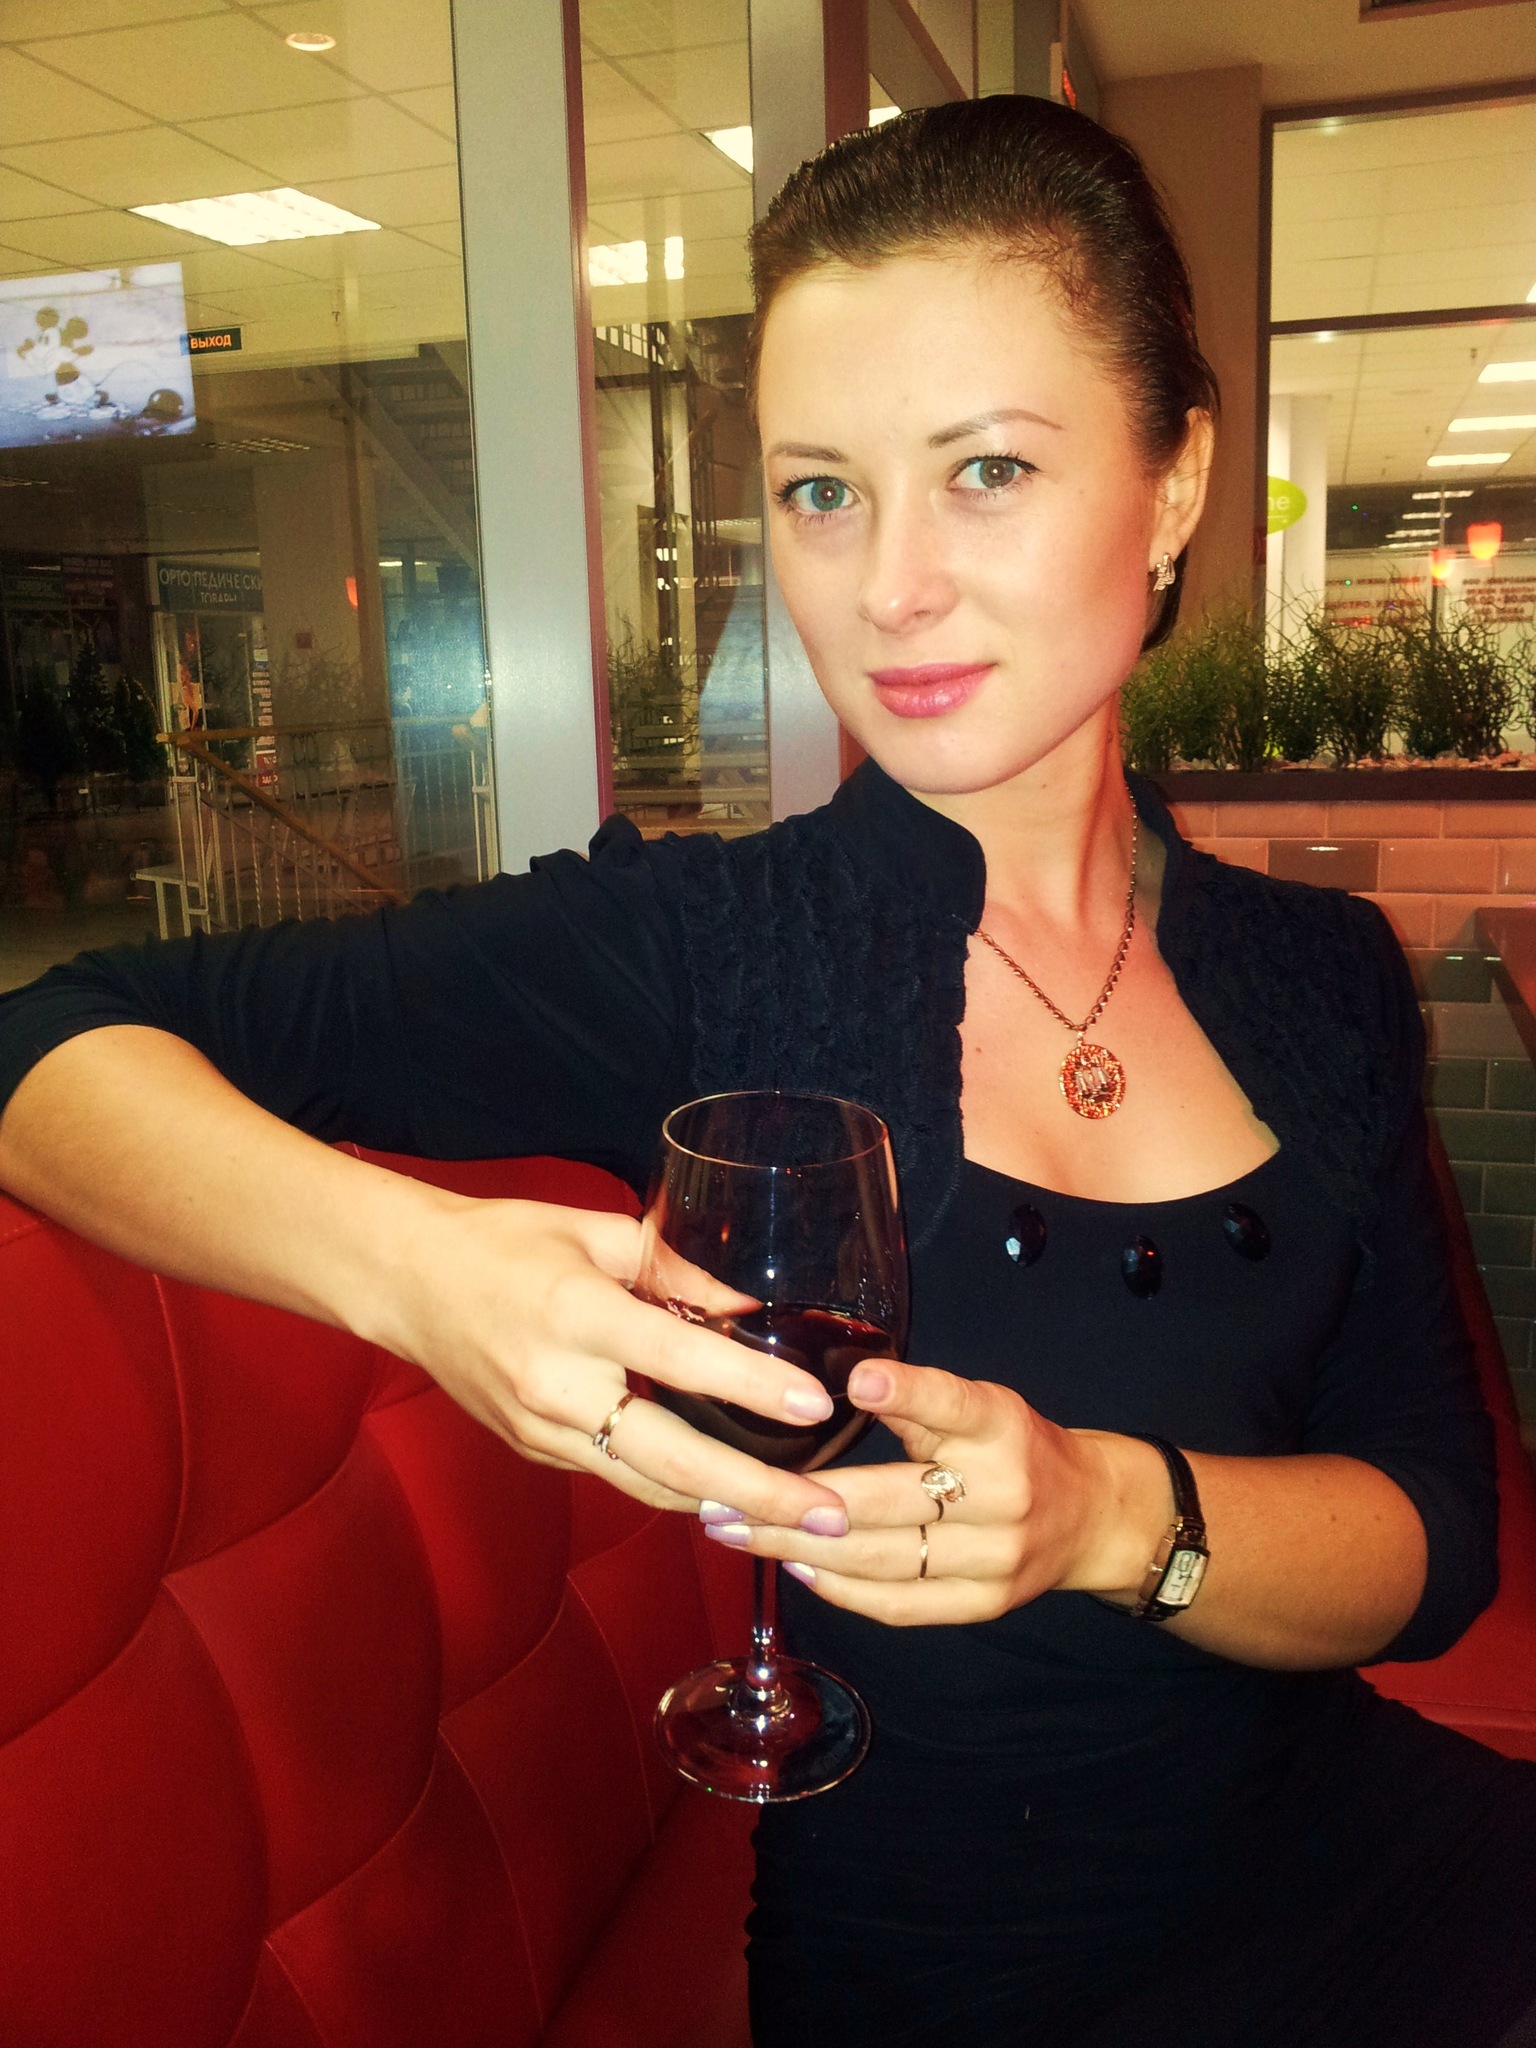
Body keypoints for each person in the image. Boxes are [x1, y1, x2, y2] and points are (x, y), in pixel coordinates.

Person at [1, 95, 1534, 2048]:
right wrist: (423, 1275)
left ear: (1173, 486)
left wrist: (1104, 1517)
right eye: (821, 492)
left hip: (1376, 1874)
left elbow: (1434, 1538)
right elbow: (47, 1044)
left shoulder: (1323, 976)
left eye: (986, 470)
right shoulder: (702, 944)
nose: (887, 586)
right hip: (961, 1980)